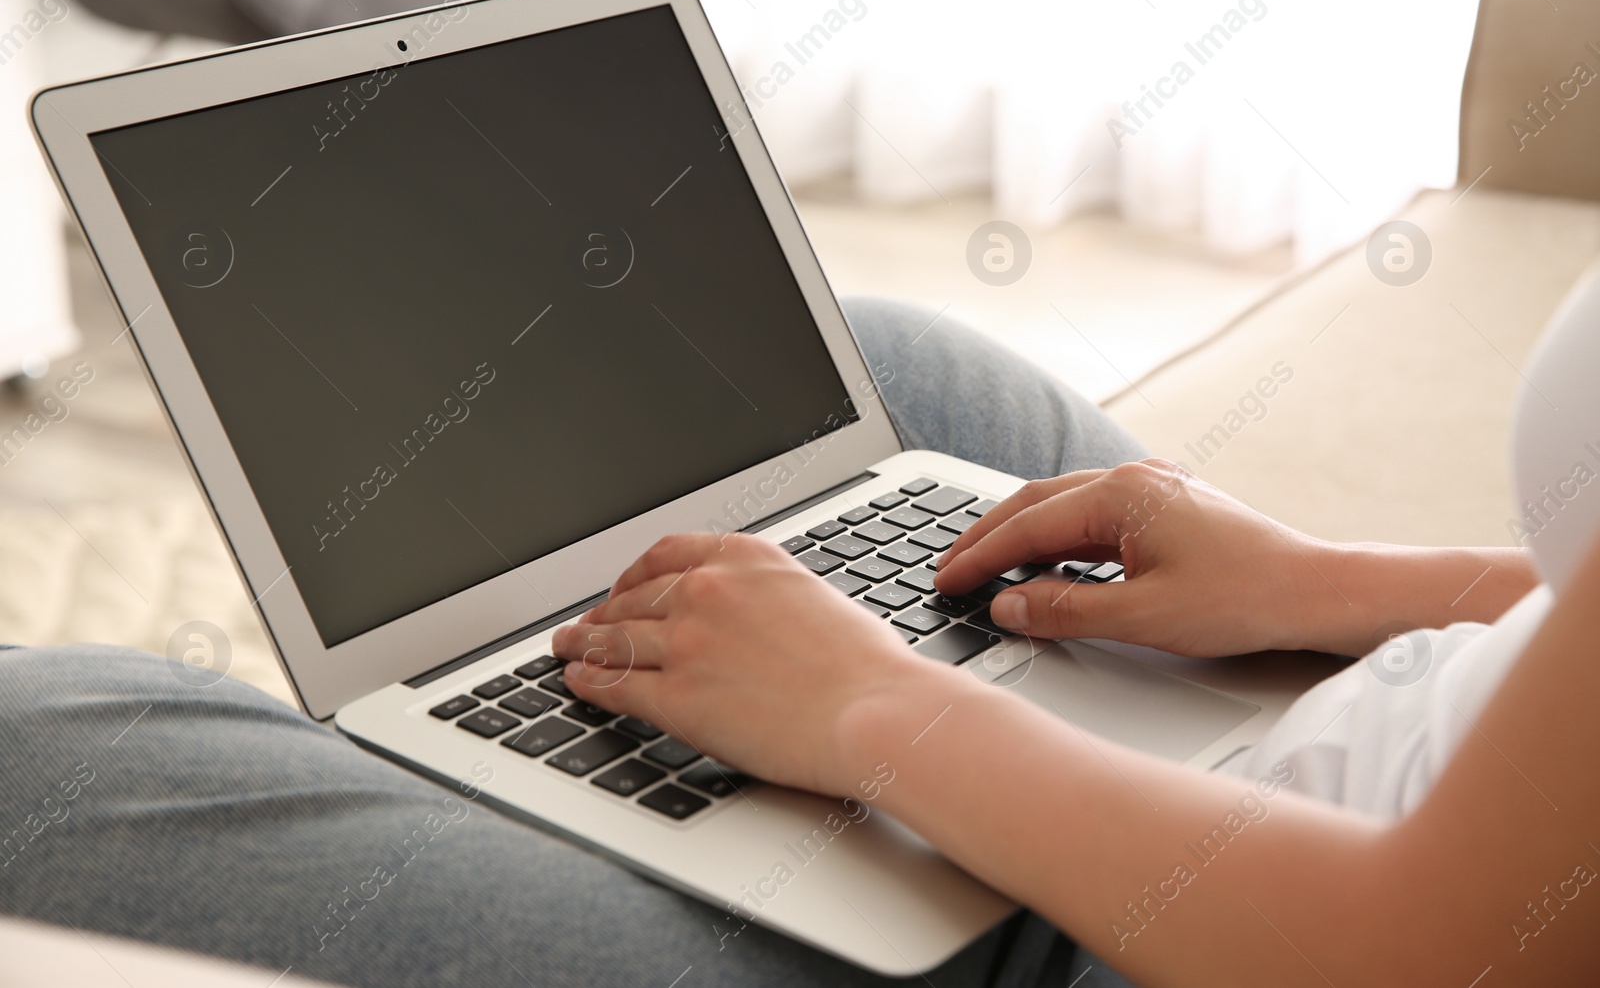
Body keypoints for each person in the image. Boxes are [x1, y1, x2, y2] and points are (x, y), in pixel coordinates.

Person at [2, 285, 1596, 987]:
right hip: (1378, 735)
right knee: (880, 376)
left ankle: (577, 797)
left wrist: (878, 717)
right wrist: (1335, 586)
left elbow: (1429, 957)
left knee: (41, 746)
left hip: (1192, 934)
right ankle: (538, 767)